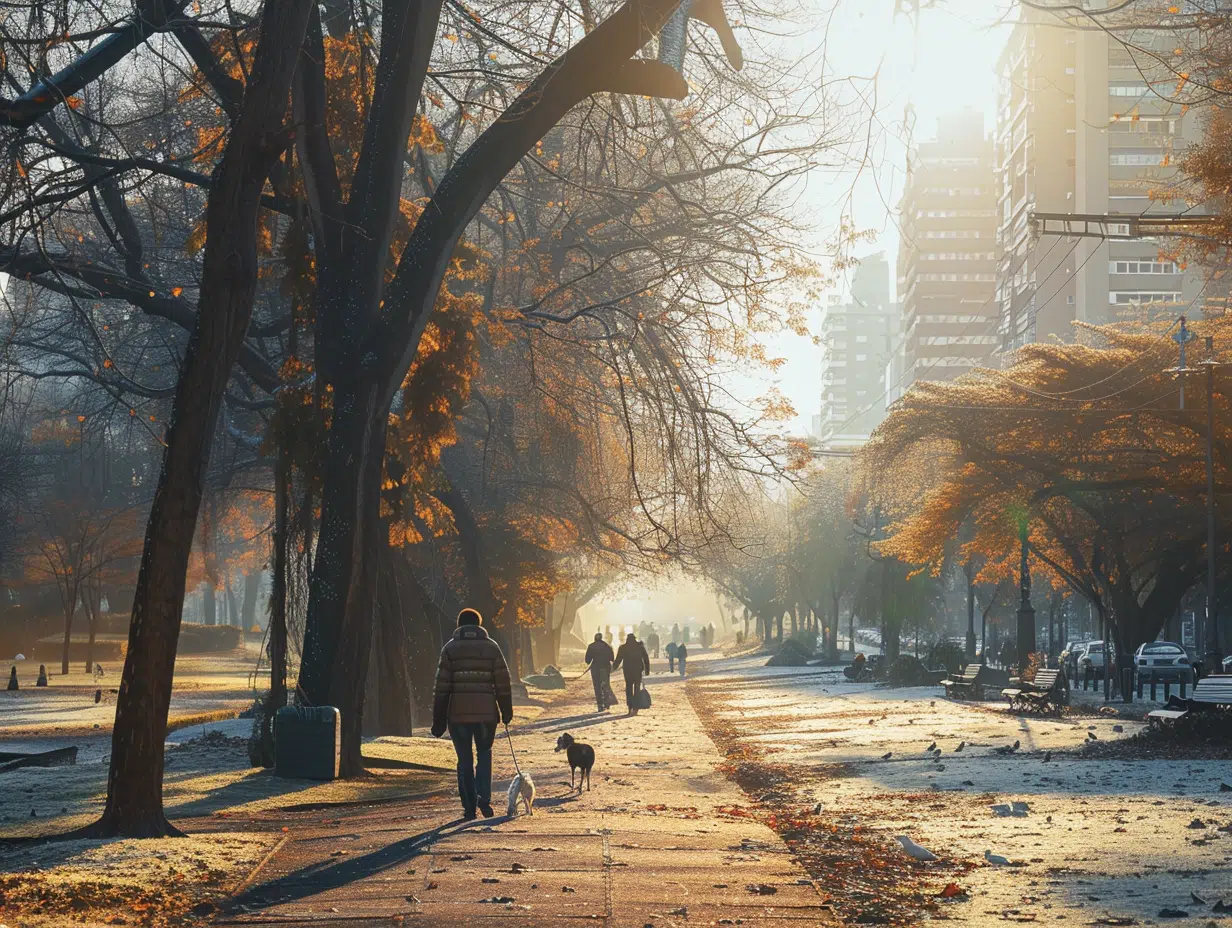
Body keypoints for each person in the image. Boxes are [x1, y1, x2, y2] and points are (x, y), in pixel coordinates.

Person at [431, 608, 513, 821]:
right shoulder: (492, 648)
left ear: (459, 624)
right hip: (487, 715)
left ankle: (469, 807)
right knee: (484, 755)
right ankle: (484, 799)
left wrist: (438, 720)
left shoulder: (449, 649)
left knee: (464, 760)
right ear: (479, 624)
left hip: (458, 716)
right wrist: (506, 710)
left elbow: (441, 687)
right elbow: (502, 682)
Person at [612, 633, 652, 715]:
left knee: (628, 689)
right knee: (637, 688)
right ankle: (636, 707)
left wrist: (613, 668)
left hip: (628, 671)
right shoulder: (640, 647)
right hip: (638, 671)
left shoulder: (623, 648)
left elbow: (618, 659)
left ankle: (630, 707)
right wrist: (647, 670)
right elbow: (646, 658)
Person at [584, 632, 615, 712]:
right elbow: (612, 658)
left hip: (595, 668)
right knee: (605, 685)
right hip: (605, 667)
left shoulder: (591, 646)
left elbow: (587, 660)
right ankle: (607, 702)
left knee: (597, 686)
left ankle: (600, 705)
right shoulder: (607, 646)